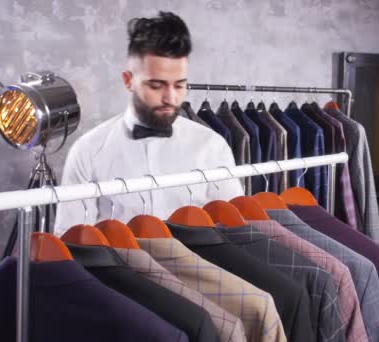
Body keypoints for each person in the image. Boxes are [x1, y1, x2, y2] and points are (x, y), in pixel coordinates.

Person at [54, 11, 243, 236]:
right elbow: (70, 241)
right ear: (128, 81)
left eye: (180, 85)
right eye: (156, 85)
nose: (171, 99)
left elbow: (236, 231)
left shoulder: (212, 147)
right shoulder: (88, 151)